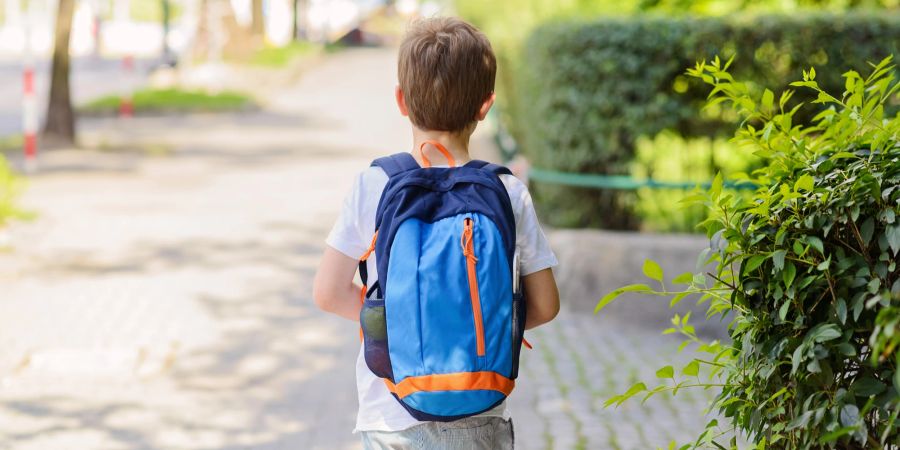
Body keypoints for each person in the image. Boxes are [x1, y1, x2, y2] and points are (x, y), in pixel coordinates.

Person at [312, 16, 560, 450]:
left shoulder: (374, 184)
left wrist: (404, 322)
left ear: (401, 101)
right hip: (480, 410)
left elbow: (329, 292)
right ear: (486, 105)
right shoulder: (507, 191)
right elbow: (545, 305)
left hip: (391, 416)